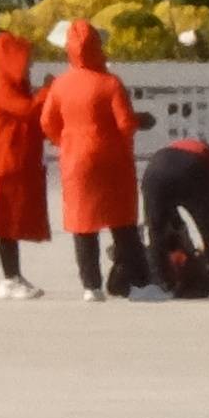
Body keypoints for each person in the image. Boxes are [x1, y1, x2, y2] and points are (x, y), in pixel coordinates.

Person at [39, 19, 144, 300]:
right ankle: (137, 283)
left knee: (82, 223)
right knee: (122, 222)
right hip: (111, 158)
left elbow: (47, 122)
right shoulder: (110, 82)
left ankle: (91, 286)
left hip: (76, 159)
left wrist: (66, 141)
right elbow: (125, 124)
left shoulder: (60, 85)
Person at [0, 27, 50, 297]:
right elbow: (26, 110)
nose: (30, 66)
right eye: (26, 61)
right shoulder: (1, 84)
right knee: (5, 223)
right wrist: (47, 92)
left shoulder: (12, 84)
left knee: (11, 222)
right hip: (4, 163)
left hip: (14, 160)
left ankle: (14, 275)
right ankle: (9, 278)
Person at [134, 134, 209, 297]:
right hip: (194, 169)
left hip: (155, 171)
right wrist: (206, 246)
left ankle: (161, 285)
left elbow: (166, 219)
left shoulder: (179, 146)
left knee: (155, 232)